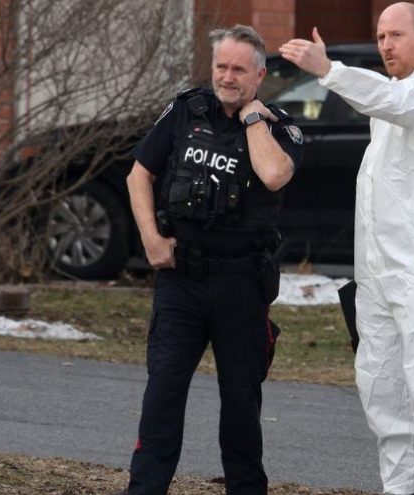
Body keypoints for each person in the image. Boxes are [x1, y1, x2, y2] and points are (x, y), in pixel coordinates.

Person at [279, 4, 414, 495]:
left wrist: (329, 70)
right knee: (382, 389)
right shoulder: (394, 99)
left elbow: (393, 103)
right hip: (382, 276)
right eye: (380, 36)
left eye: (396, 35)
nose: (386, 45)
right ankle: (400, 486)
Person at [123, 24, 302, 495]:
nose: (226, 76)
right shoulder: (186, 111)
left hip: (241, 285)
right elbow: (138, 175)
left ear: (259, 75)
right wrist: (151, 240)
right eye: (221, 66)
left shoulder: (278, 126)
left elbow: (274, 174)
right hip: (181, 280)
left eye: (238, 69)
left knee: (241, 404)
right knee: (162, 394)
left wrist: (253, 119)